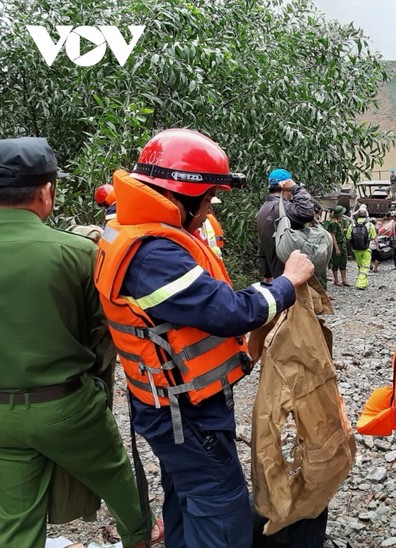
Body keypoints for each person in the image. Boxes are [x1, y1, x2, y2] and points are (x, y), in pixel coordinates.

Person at [94, 128, 314, 548]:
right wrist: (287, 284)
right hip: (185, 413)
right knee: (221, 506)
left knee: (185, 493)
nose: (211, 205)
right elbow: (230, 312)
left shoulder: (132, 229)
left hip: (171, 403)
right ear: (183, 194)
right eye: (209, 195)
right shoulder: (153, 254)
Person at [0, 137, 161, 548]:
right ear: (45, 191)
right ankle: (140, 536)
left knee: (15, 519)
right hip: (66, 407)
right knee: (116, 476)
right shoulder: (76, 253)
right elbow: (106, 328)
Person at [256, 168, 315, 282]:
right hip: (293, 276)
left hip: (279, 278)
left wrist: (266, 275)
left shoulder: (263, 209)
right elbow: (307, 213)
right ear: (286, 187)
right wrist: (296, 189)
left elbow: (261, 245)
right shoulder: (283, 208)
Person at [346, 205, 376, 289]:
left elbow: (348, 237)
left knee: (360, 266)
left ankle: (364, 282)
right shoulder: (370, 225)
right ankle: (361, 284)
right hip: (366, 249)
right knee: (365, 267)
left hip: (356, 249)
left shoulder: (352, 225)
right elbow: (373, 237)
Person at [327, 205, 350, 286]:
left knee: (343, 262)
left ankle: (344, 280)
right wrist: (336, 248)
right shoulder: (334, 224)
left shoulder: (341, 222)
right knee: (336, 262)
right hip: (338, 244)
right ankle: (336, 280)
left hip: (343, 244)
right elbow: (333, 236)